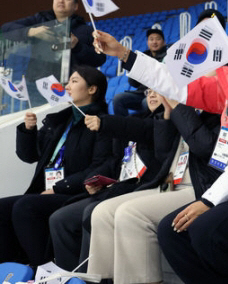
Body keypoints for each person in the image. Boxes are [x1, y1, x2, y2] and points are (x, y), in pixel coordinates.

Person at [92, 12, 228, 284]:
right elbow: (176, 84)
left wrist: (209, 200)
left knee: (205, 230)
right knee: (170, 232)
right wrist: (123, 53)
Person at [0, 66, 112, 265]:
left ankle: (42, 268)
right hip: (48, 190)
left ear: (92, 89)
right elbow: (29, 156)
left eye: (74, 82)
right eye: (68, 82)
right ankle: (11, 269)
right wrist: (29, 130)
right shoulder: (59, 120)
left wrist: (59, 188)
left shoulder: (103, 123)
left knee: (25, 207)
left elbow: (100, 166)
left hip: (76, 193)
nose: (67, 87)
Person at [48, 88, 168, 270]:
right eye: (148, 91)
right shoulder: (138, 119)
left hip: (144, 189)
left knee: (92, 213)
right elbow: (116, 161)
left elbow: (144, 131)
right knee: (60, 218)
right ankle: (69, 278)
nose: (151, 95)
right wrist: (95, 180)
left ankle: (88, 278)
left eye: (157, 91)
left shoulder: (166, 123)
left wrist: (104, 123)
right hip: (116, 188)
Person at [0, 0, 106, 104]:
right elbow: (6, 29)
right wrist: (30, 31)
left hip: (68, 87)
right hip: (37, 85)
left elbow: (100, 59)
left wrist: (78, 46)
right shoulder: (39, 20)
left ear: (76, 6)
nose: (61, 1)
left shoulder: (85, 30)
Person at [112, 27, 167, 116]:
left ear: (164, 42)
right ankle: (123, 126)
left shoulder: (167, 56)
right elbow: (133, 83)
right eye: (151, 39)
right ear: (147, 42)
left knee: (147, 102)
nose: (154, 42)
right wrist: (132, 69)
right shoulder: (142, 57)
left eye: (158, 39)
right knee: (118, 99)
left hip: (159, 94)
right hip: (141, 93)